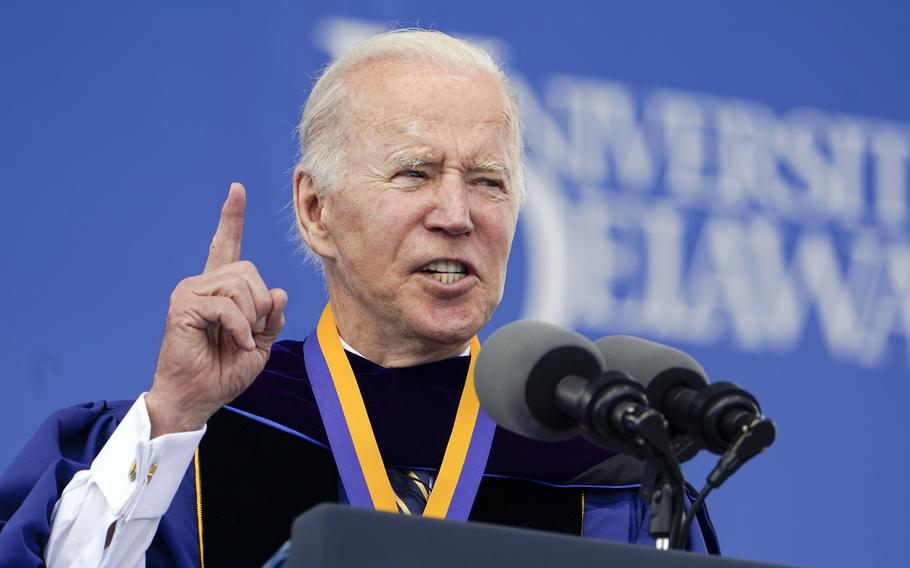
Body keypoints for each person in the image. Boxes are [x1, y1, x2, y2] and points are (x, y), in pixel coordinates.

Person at [0, 30, 717, 567]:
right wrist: (174, 413)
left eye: (489, 182)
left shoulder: (603, 472)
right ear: (317, 210)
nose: (457, 214)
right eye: (415, 173)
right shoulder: (212, 427)